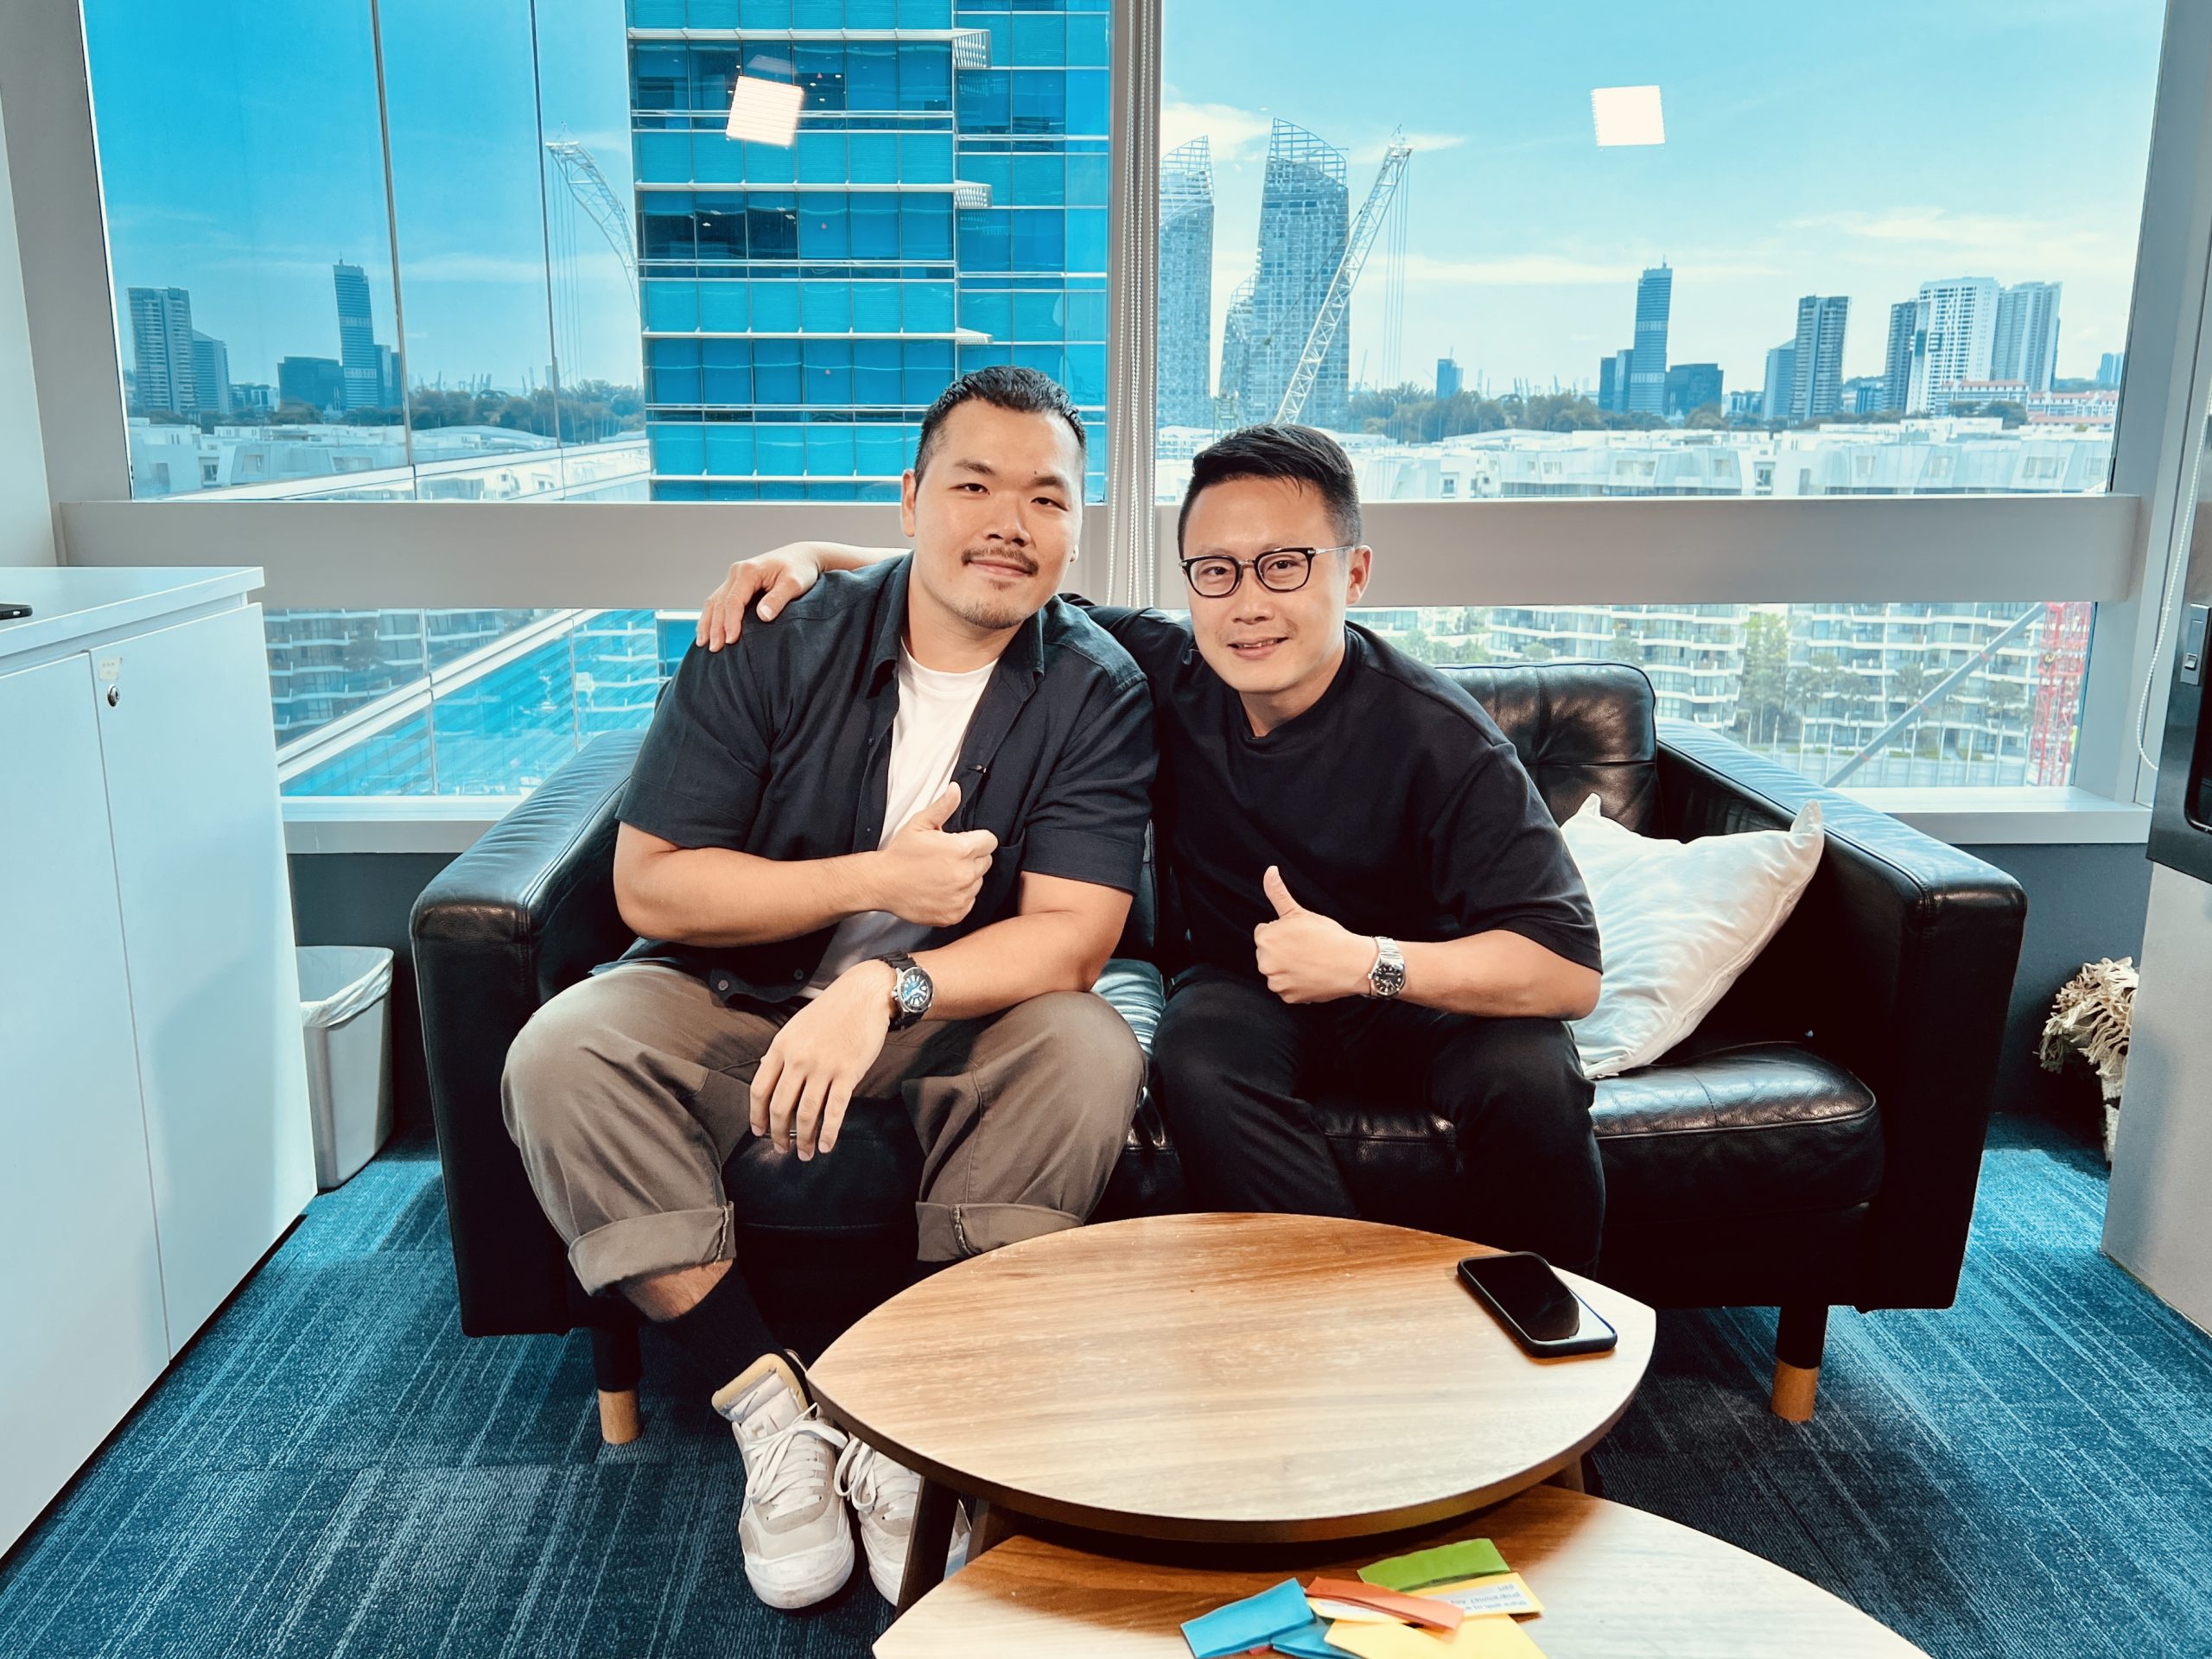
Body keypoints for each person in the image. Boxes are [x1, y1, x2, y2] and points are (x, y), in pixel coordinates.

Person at [501, 366, 1154, 1611]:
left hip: (948, 1016)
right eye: (973, 485)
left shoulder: (1098, 684)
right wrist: (872, 879)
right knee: (560, 1051)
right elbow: (653, 888)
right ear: (911, 499)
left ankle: (923, 1419)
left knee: (1085, 1046)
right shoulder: (772, 632)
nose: (1009, 521)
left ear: (1079, 527)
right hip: (730, 996)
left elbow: (1071, 940)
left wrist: (888, 990)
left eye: (1046, 498)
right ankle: (771, 1407)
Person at [696, 423, 1607, 1273]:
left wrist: (1367, 963)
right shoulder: (1162, 669)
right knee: (1197, 1055)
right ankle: (1335, 1311)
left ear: (1354, 572)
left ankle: (1549, 1364)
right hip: (1248, 991)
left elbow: (1567, 971)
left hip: (1425, 987)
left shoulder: (1442, 739)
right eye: (1216, 571)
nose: (1247, 605)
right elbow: (994, 585)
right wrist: (810, 558)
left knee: (1529, 1075)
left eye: (1284, 566)